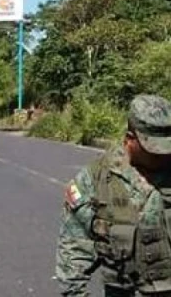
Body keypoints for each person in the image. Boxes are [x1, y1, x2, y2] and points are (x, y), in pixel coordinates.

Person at [56, 94, 171, 296]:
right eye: (153, 148)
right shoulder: (95, 181)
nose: (162, 155)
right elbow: (74, 252)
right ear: (129, 139)